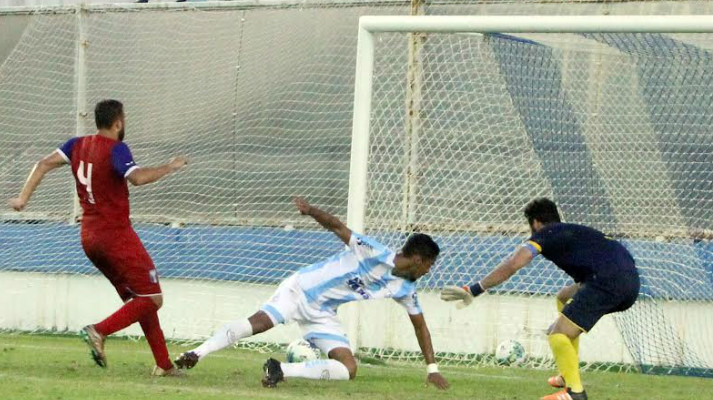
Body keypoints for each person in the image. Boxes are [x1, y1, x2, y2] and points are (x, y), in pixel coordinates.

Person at [175, 197, 450, 390]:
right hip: (301, 289)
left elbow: (420, 327)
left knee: (348, 369)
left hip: (323, 313)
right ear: (418, 259)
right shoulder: (376, 252)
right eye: (430, 265)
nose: (429, 271)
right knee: (259, 323)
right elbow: (338, 227)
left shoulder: (406, 289)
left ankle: (280, 369)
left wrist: (432, 370)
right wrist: (311, 211)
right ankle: (197, 352)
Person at [9, 99, 188, 376]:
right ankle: (98, 331)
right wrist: (169, 167)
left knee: (140, 300)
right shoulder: (117, 149)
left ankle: (164, 365)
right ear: (118, 122)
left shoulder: (76, 144)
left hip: (89, 238)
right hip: (115, 235)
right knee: (152, 298)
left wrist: (23, 198)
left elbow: (42, 164)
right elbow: (137, 178)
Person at [441, 198, 640, 400]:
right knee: (563, 297)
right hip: (630, 284)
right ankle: (566, 374)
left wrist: (475, 289)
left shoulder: (546, 234)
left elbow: (513, 264)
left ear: (535, 222)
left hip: (606, 281)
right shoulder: (575, 231)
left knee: (556, 334)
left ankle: (575, 393)